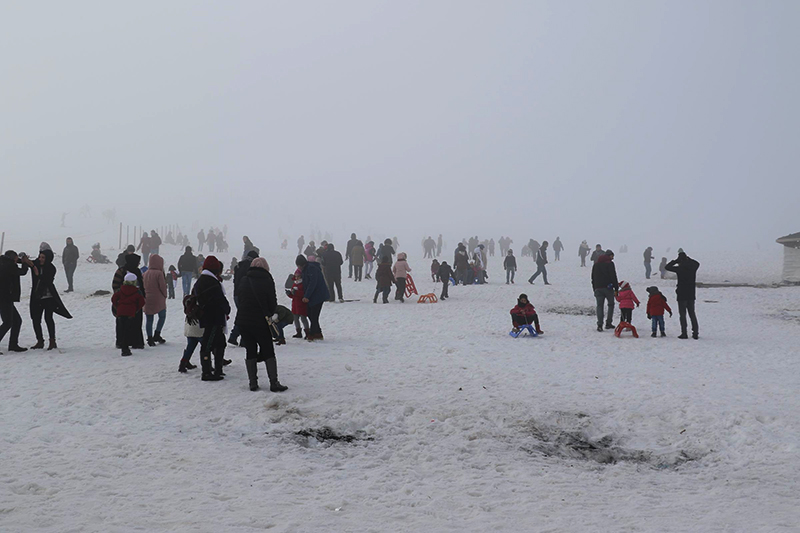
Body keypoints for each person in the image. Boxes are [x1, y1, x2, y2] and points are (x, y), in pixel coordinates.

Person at [235, 257, 287, 391]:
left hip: (243, 321)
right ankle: (274, 383)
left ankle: (253, 383)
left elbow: (239, 298)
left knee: (250, 350)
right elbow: (272, 303)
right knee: (268, 349)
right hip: (260, 321)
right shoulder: (267, 280)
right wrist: (269, 313)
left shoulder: (244, 279)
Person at [194, 256, 230, 381]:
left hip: (209, 316)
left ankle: (217, 370)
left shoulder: (201, 280)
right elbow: (220, 300)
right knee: (209, 344)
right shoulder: (211, 281)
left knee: (219, 342)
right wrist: (227, 309)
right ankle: (207, 372)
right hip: (213, 317)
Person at [29, 249, 72, 350]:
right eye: (40, 257)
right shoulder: (36, 264)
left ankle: (52, 341)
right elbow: (28, 262)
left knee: (48, 319)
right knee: (35, 319)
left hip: (48, 297)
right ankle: (40, 341)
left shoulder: (51, 268)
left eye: (43, 258)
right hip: (37, 297)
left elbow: (47, 280)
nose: (40, 259)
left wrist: (37, 274)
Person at [0, 250, 32, 353]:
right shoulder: (10, 266)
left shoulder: (3, 262)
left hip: (4, 297)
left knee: (17, 321)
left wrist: (21, 260)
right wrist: (25, 262)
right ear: (13, 258)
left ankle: (13, 344)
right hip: (5, 298)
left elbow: (14, 262)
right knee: (8, 322)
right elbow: (22, 272)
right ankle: (13, 344)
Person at [113, 253, 146, 350]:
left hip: (133, 303)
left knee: (135, 323)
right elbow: (115, 285)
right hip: (126, 303)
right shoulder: (121, 271)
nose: (138, 264)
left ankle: (134, 342)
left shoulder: (137, 271)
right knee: (124, 323)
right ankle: (124, 342)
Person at [665, 250, 700, 339]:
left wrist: (676, 261)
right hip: (691, 294)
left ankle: (684, 333)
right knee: (692, 314)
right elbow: (697, 263)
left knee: (682, 314)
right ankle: (695, 333)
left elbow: (667, 267)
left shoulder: (679, 268)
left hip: (681, 294)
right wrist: (688, 259)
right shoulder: (693, 268)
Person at [228, 249, 259, 346]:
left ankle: (241, 339)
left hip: (236, 294)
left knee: (243, 316)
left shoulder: (239, 266)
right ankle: (235, 337)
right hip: (245, 295)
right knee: (245, 317)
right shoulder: (250, 267)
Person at [299, 255, 329, 340]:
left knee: (314, 315)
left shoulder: (311, 269)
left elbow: (312, 283)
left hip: (319, 295)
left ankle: (312, 334)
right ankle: (318, 332)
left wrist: (306, 296)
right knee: (310, 313)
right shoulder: (305, 269)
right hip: (313, 295)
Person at [143, 254, 168, 346]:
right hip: (158, 298)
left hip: (147, 298)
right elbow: (162, 287)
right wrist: (165, 295)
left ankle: (149, 338)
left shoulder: (145, 273)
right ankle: (157, 334)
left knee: (149, 319)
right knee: (162, 316)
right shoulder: (159, 273)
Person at [591, 250, 619, 332]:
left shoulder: (596, 265)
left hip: (598, 288)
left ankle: (599, 325)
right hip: (608, 288)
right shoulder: (610, 264)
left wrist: (594, 288)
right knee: (611, 304)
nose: (613, 258)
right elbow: (613, 276)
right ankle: (608, 323)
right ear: (609, 256)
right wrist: (616, 288)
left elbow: (593, 277)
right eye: (612, 256)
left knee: (600, 306)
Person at [289, 264, 309, 338]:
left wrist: (296, 293)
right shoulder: (294, 284)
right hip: (295, 304)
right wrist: (290, 294)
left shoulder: (303, 284)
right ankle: (298, 332)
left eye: (298, 276)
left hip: (301, 304)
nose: (296, 278)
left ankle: (307, 332)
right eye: (296, 276)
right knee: (295, 318)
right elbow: (292, 295)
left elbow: (304, 293)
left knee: (303, 318)